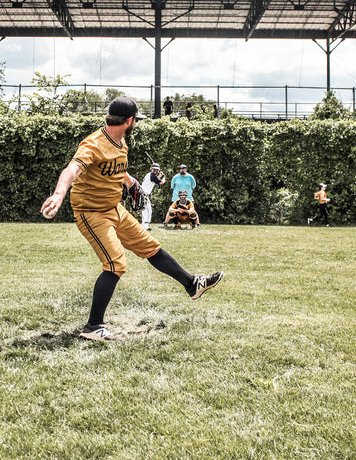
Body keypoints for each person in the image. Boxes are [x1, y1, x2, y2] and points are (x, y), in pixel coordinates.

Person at [40, 95, 223, 342]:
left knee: (150, 246)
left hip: (114, 208)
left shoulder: (121, 142)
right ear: (128, 121)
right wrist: (59, 194)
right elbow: (73, 168)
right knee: (115, 264)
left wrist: (131, 182)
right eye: (135, 119)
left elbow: (118, 167)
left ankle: (192, 284)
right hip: (92, 212)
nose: (136, 123)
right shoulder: (93, 144)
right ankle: (93, 327)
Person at [139, 163, 165, 231]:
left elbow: (155, 180)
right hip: (144, 194)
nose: (155, 170)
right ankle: (146, 227)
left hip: (143, 194)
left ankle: (143, 226)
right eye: (154, 169)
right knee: (147, 210)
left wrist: (160, 175)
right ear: (151, 169)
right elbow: (161, 182)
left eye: (156, 169)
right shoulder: (152, 176)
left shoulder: (150, 175)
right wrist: (164, 177)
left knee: (147, 210)